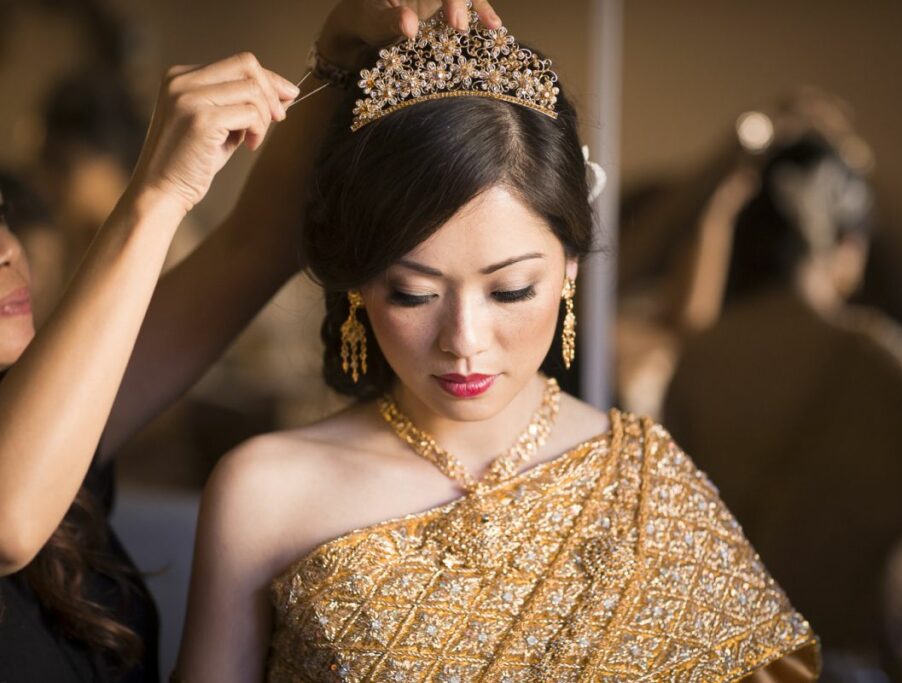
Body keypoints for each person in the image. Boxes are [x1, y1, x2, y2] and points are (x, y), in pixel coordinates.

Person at [175, 6, 821, 682]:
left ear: (570, 265)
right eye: (414, 294)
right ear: (360, 285)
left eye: (510, 290)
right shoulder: (267, 493)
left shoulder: (648, 487)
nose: (465, 341)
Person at [0, 0, 422, 675]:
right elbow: (8, 520)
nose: (4, 251)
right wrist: (155, 194)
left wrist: (339, 55)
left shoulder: (36, 401)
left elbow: (254, 248)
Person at [661, 133, 902, 675]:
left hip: (725, 655)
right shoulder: (866, 352)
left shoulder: (698, 356)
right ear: (846, 242)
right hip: (837, 654)